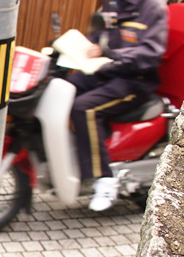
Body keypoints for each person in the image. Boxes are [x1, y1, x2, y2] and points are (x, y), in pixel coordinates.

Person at [67, 0, 168, 212]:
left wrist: (110, 54)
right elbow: (101, 36)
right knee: (64, 87)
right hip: (108, 72)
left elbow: (150, 53)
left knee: (84, 108)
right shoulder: (113, 4)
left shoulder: (153, 8)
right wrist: (84, 47)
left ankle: (104, 178)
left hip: (134, 80)